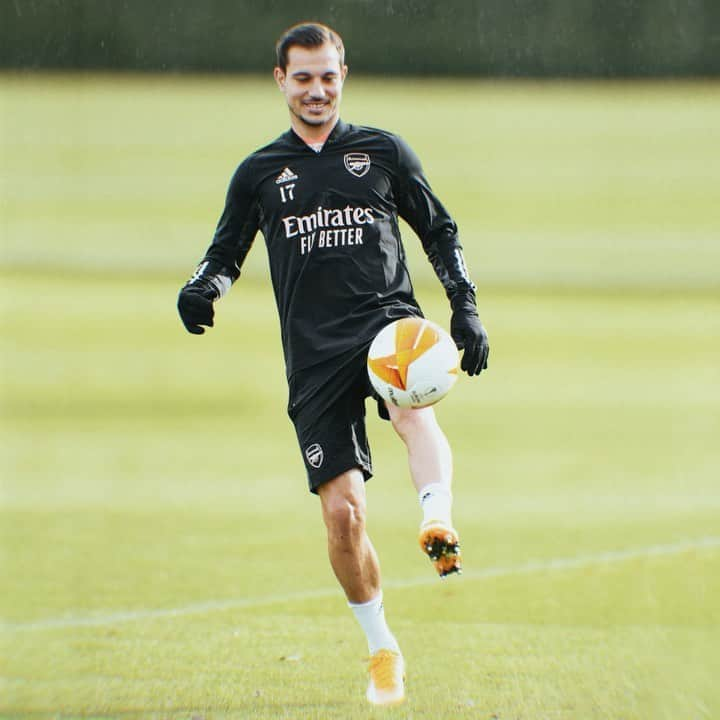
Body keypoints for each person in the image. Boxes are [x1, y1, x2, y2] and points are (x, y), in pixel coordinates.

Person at [177, 22, 489, 707]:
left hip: (388, 327)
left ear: (343, 74)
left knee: (413, 413)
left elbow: (438, 229)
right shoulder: (260, 172)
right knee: (344, 516)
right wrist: (204, 289)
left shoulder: (381, 151)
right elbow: (224, 253)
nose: (317, 90)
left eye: (328, 76)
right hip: (314, 354)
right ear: (280, 80)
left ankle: (437, 517)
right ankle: (382, 647)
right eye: (303, 77)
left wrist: (464, 306)